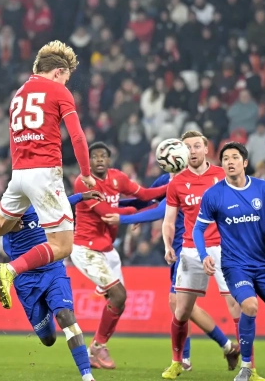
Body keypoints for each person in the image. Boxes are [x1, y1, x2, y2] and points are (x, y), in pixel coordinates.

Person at [0, 41, 96, 311]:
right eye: (66, 77)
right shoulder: (59, 91)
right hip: (45, 174)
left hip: (19, 173)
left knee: (0, 224)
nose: (66, 83)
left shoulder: (19, 94)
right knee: (63, 246)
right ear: (58, 71)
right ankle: (9, 270)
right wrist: (86, 173)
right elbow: (78, 136)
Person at [101, 172, 242, 374]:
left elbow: (160, 210)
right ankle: (227, 347)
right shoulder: (166, 179)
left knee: (178, 302)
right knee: (183, 305)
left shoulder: (189, 182)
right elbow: (147, 199)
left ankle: (186, 358)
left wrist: (125, 218)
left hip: (189, 248)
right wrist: (115, 205)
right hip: (176, 248)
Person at [193, 142, 265, 381]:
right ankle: (246, 367)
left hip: (264, 265)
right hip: (235, 265)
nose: (230, 162)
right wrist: (204, 256)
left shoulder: (262, 188)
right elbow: (198, 230)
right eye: (225, 158)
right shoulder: (214, 195)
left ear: (245, 162)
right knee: (249, 306)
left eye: (235, 157)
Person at [161, 131, 264, 381]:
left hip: (225, 249)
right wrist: (167, 245)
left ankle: (249, 367)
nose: (193, 151)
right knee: (181, 311)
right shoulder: (176, 183)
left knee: (238, 306)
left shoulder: (223, 175)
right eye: (188, 147)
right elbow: (169, 221)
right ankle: (177, 362)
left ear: (206, 149)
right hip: (190, 250)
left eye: (197, 146)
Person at [70, 142, 168, 370]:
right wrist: (133, 212)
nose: (99, 159)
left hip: (107, 250)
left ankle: (94, 349)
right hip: (86, 249)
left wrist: (171, 187)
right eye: (94, 156)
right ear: (87, 161)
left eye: (103, 156)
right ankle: (98, 347)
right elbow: (107, 213)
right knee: (118, 294)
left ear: (109, 159)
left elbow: (144, 194)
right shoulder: (83, 182)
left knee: (120, 301)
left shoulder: (117, 178)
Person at [3, 191, 103, 381]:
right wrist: (8, 225)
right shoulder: (12, 206)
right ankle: (47, 308)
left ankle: (87, 375)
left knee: (66, 315)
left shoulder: (44, 200)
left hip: (52, 269)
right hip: (26, 279)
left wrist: (82, 196)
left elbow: (63, 203)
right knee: (48, 340)